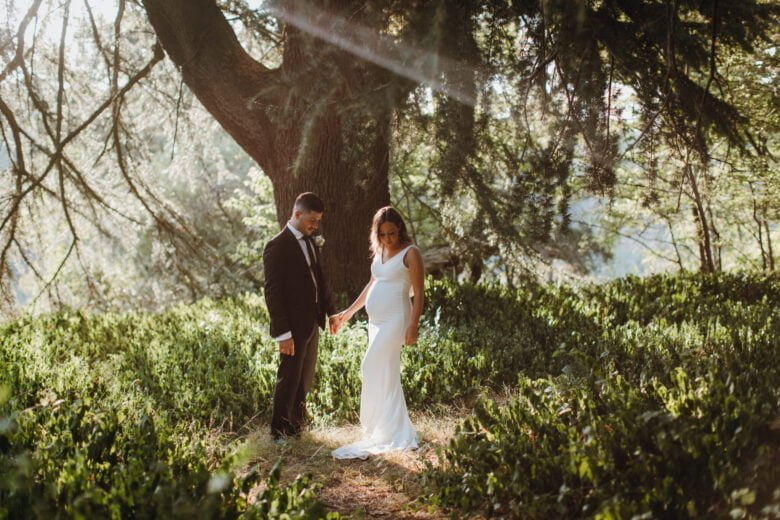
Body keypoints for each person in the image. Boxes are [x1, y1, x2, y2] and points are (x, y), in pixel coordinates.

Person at [331, 206, 424, 459]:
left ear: (400, 229)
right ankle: (387, 429)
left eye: (391, 233)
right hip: (376, 322)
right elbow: (372, 283)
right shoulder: (380, 250)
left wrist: (413, 325)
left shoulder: (411, 253)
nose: (387, 239)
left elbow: (419, 292)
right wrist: (349, 312)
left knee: (371, 365)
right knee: (384, 371)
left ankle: (391, 430)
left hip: (396, 318)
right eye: (382, 234)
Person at [263, 192, 338, 443]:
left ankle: (296, 429)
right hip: (291, 327)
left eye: (318, 221)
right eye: (312, 220)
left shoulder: (310, 242)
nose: (315, 226)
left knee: (304, 379)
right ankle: (278, 433)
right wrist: (282, 333)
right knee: (289, 378)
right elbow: (273, 293)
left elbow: (320, 280)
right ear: (297, 214)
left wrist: (331, 312)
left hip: (312, 322)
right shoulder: (277, 246)